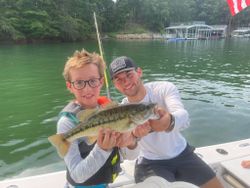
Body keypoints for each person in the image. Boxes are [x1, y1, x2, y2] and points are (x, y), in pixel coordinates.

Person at [109, 56, 224, 188]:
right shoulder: (119, 113)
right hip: (150, 162)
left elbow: (184, 117)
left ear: (139, 72)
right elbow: (130, 155)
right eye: (119, 79)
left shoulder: (163, 89)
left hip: (183, 154)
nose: (126, 82)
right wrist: (133, 138)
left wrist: (169, 121)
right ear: (115, 85)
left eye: (129, 75)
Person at [57, 49, 137, 188]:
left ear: (101, 81)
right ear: (70, 86)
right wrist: (103, 149)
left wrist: (131, 142)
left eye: (93, 81)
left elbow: (130, 156)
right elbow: (77, 175)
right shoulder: (67, 123)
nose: (87, 89)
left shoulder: (113, 112)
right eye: (79, 83)